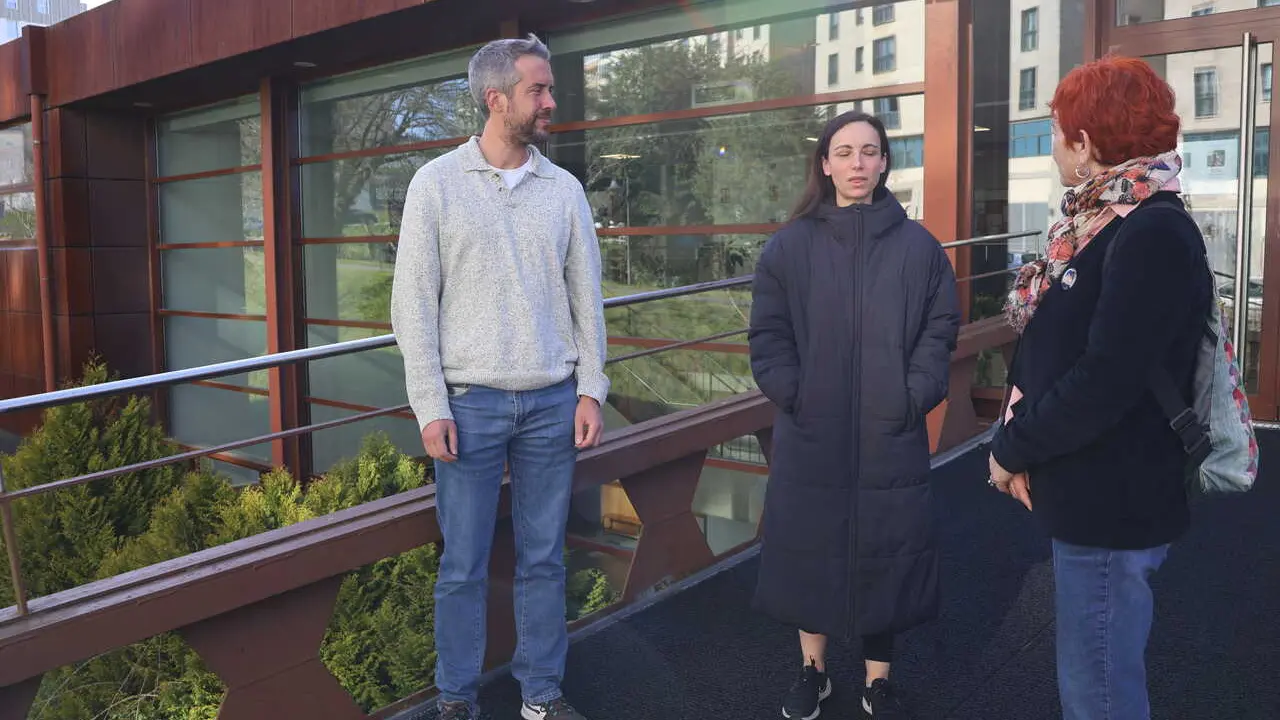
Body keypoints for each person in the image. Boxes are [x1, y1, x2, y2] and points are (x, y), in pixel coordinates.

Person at [390, 34, 609, 720]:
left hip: (552, 402)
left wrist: (590, 389)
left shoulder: (564, 190)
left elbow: (588, 301)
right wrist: (429, 404)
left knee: (545, 559)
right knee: (462, 568)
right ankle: (457, 698)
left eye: (548, 89)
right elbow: (412, 304)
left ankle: (540, 695)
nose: (551, 100)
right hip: (469, 405)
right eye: (538, 90)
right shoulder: (436, 184)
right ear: (497, 99)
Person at [988, 55, 1212, 720]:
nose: (1054, 148)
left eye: (1058, 133)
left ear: (1086, 145)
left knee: (1100, 687)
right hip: (1096, 484)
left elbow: (1104, 378)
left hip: (1115, 497)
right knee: (1096, 672)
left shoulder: (1151, 230)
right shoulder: (1105, 222)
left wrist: (1012, 448)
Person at [748, 110, 960, 719]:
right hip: (812, 431)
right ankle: (812, 673)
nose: (858, 164)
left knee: (886, 552)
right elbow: (768, 334)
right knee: (808, 549)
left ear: (886, 162)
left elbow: (940, 329)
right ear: (825, 163)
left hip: (890, 430)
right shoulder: (790, 246)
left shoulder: (918, 246)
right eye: (844, 152)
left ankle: (878, 680)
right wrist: (797, 393)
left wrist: (912, 394)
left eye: (870, 152)